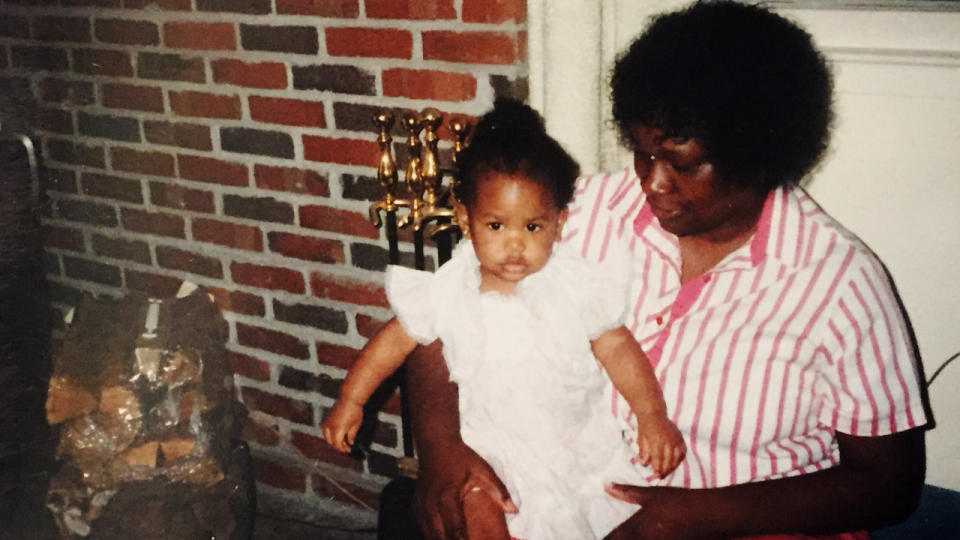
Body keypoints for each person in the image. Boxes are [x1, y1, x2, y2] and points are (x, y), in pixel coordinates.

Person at [405, 1, 929, 539]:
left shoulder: (838, 282)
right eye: (641, 152)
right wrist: (441, 445)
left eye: (681, 163)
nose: (652, 183)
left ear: (759, 153)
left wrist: (685, 518)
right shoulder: (577, 213)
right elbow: (436, 323)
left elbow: (889, 483)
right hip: (565, 508)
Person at [323, 99, 686, 539]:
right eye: (496, 227)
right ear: (465, 220)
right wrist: (352, 399)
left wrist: (651, 414)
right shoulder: (449, 287)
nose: (515, 246)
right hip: (491, 446)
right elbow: (394, 341)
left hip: (572, 443)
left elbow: (616, 345)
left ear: (559, 223)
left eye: (532, 228)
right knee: (484, 517)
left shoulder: (573, 281)